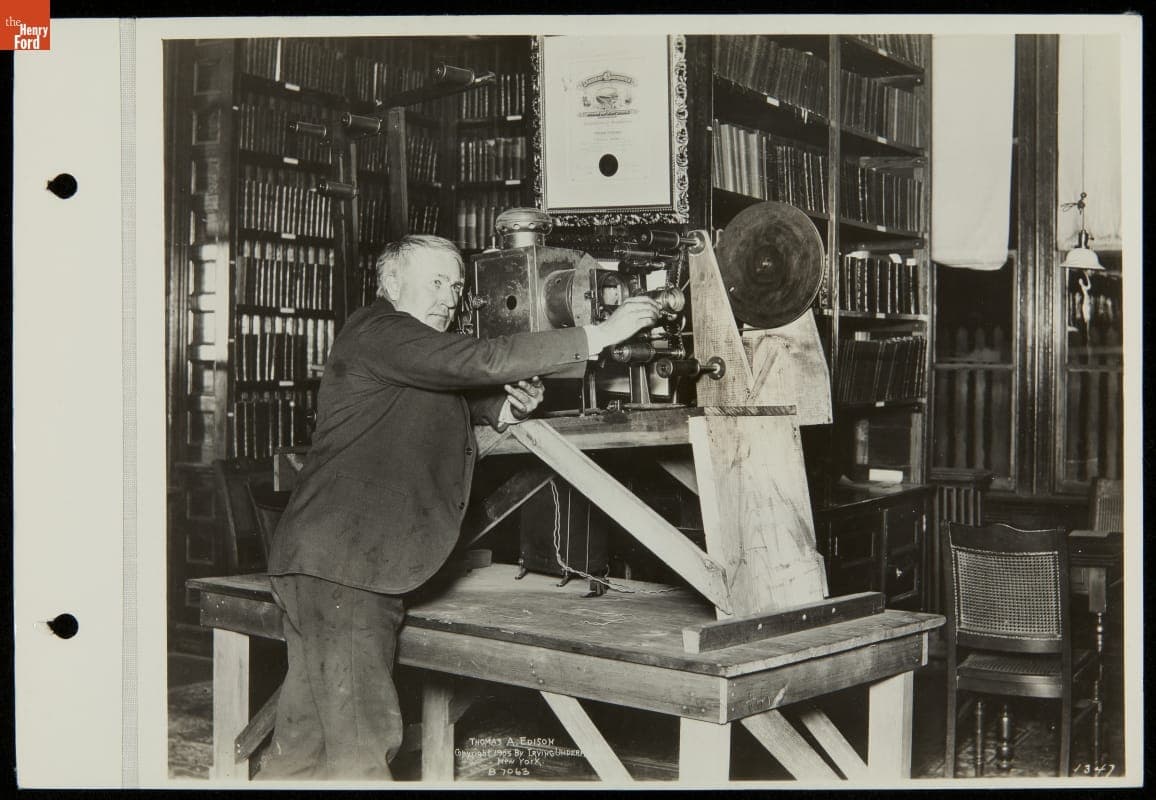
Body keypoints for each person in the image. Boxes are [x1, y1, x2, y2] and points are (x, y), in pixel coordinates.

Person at [261, 234, 661, 780]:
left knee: (304, 741)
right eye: (436, 282)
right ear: (393, 281)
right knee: (363, 746)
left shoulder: (398, 349)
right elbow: (479, 359)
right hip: (347, 567)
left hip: (320, 563)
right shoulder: (384, 330)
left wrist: (505, 407)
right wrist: (600, 335)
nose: (449, 298)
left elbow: (447, 394)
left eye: (455, 287)